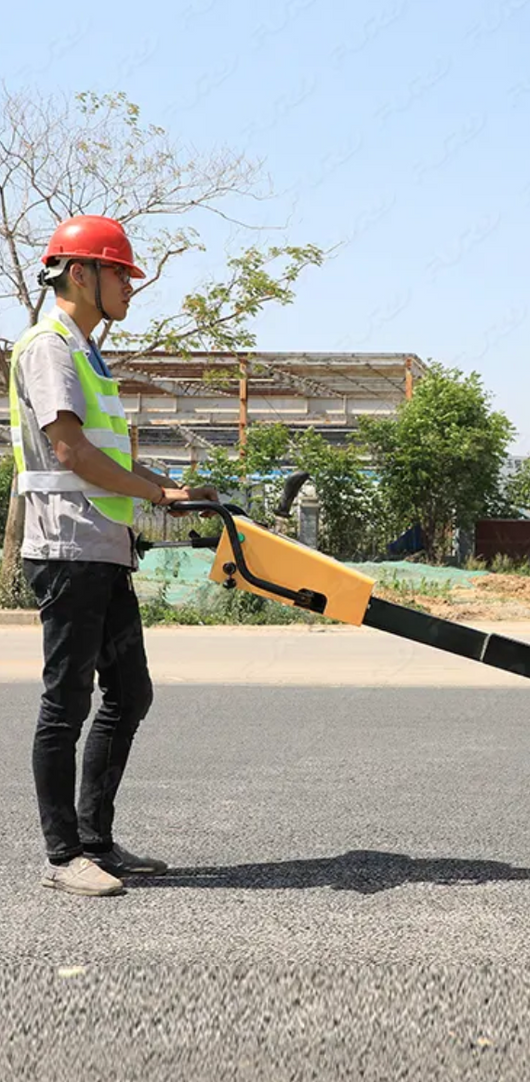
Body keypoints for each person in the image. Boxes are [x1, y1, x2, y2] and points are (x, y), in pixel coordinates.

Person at [7, 215, 217, 897]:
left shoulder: (87, 352)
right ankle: (63, 856)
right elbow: (72, 452)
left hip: (102, 545)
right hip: (67, 546)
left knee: (129, 692)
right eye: (121, 273)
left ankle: (96, 842)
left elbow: (99, 453)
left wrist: (162, 495)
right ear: (81, 274)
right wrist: (159, 490)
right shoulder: (49, 347)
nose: (130, 286)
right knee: (65, 702)